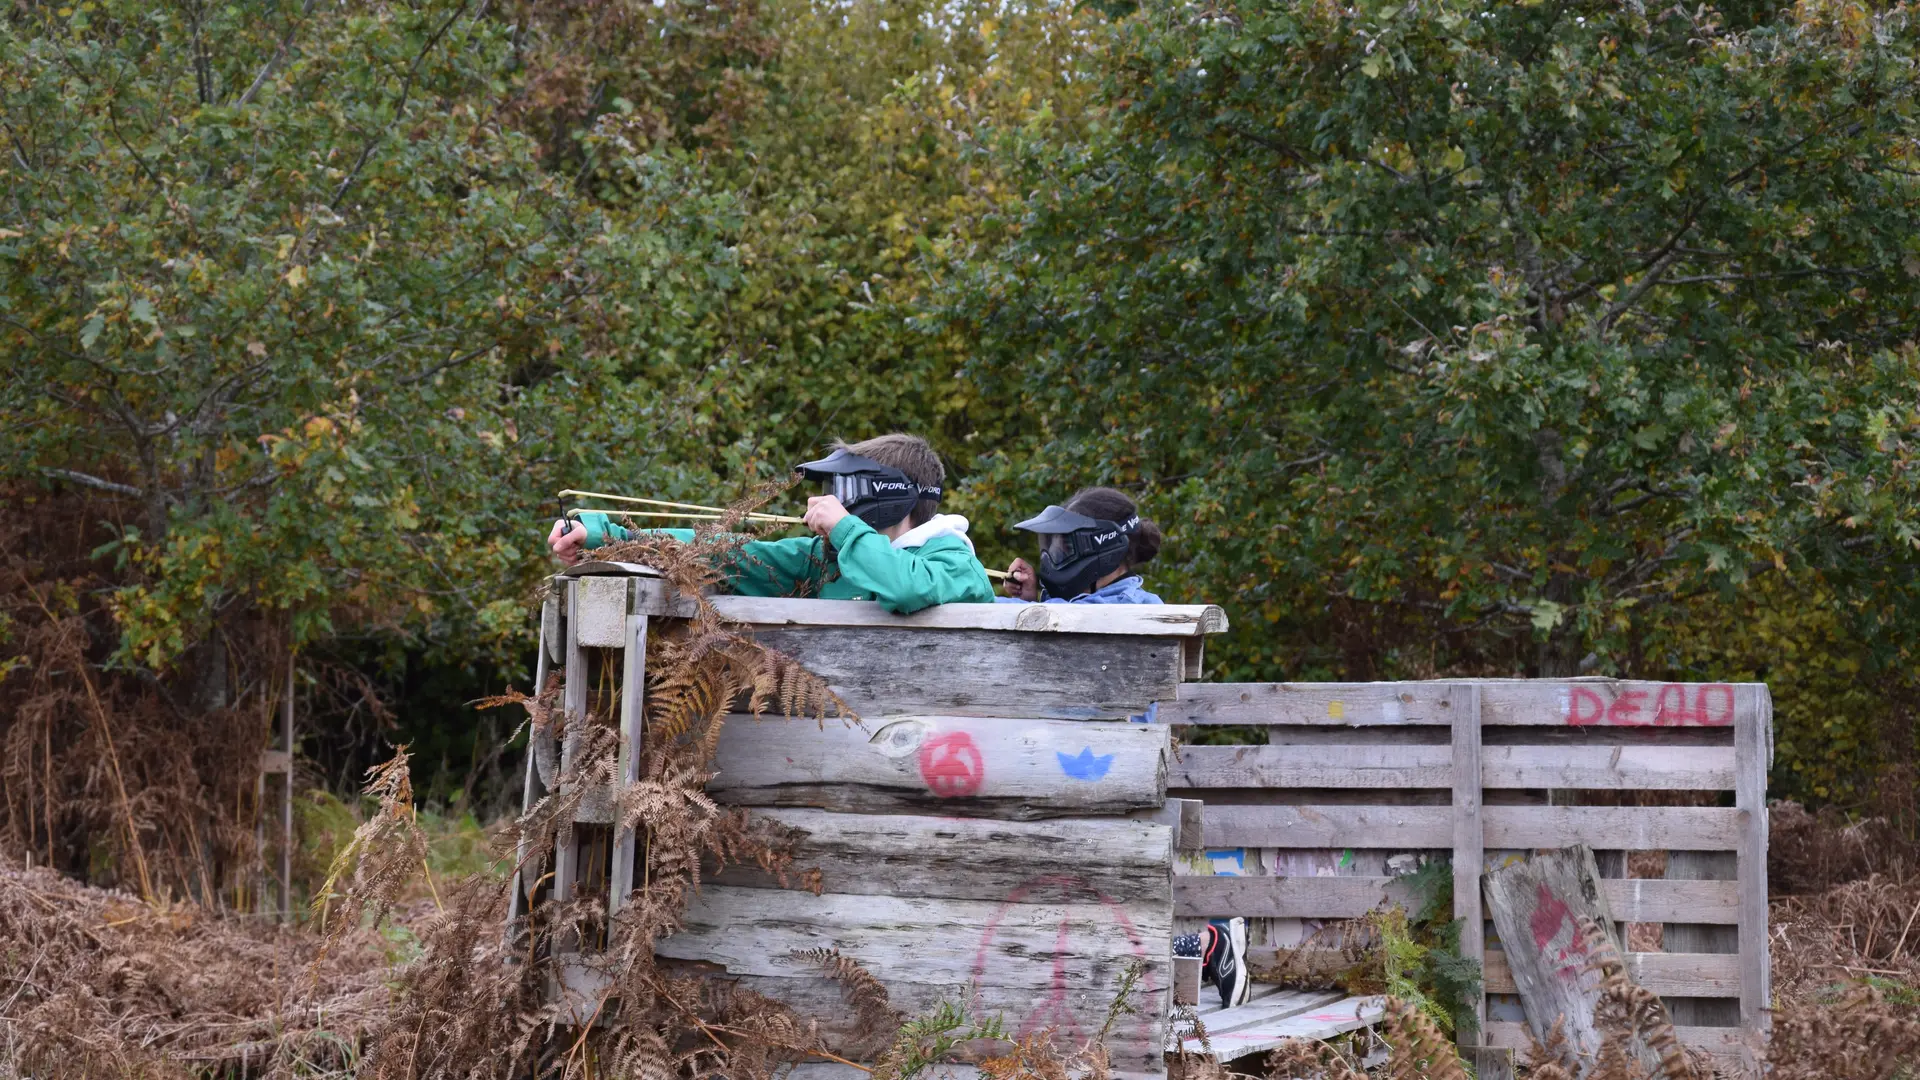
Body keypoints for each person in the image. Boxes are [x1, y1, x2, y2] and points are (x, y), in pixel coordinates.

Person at [546, 434, 994, 615]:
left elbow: (909, 588)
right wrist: (611, 539)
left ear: (890, 495)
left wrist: (843, 528)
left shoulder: (954, 561)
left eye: (846, 489)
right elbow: (726, 553)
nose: (828, 499)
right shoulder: (827, 559)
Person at [998, 487, 1164, 604]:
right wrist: (1029, 600)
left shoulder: (1126, 604)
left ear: (1105, 548)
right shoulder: (1082, 602)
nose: (1052, 557)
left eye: (1066, 548)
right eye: (1053, 547)